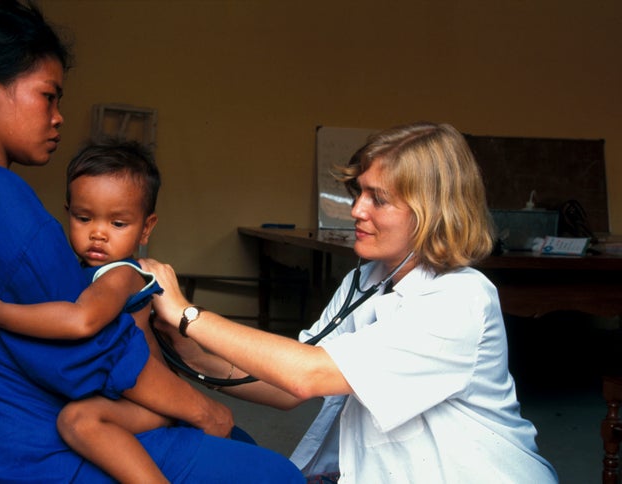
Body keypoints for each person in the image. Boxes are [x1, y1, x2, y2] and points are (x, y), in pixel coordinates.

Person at [0, 1, 304, 482]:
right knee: (277, 473)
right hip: (37, 451)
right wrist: (204, 410)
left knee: (238, 445)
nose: (58, 117)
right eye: (48, 97)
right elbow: (90, 350)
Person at [143, 122, 559, 483]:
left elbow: (307, 375)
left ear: (431, 211)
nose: (356, 209)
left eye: (377, 199)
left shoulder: (459, 299)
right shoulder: (367, 278)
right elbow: (287, 388)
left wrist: (188, 315)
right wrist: (192, 354)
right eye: (358, 192)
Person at [0, 139, 176, 483]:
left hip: (153, 404)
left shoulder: (121, 274)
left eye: (118, 224)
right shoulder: (82, 269)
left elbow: (80, 319)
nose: (98, 234)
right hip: (133, 395)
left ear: (146, 227)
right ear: (68, 211)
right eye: (84, 218)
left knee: (79, 421)